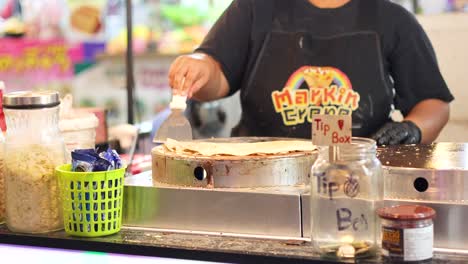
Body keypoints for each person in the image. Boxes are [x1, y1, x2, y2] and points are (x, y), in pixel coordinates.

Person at [168, 0, 454, 145]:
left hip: (358, 176)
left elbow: (433, 103)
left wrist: (412, 129)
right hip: (261, 175)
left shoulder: (393, 19)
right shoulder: (255, 8)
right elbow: (216, 80)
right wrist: (200, 65)